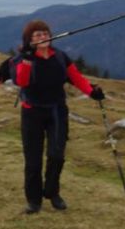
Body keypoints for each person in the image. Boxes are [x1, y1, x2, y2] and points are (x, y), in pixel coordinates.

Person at [11, 20, 104, 214]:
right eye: (37, 35)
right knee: (33, 160)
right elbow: (21, 81)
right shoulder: (22, 58)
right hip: (32, 113)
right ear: (29, 40)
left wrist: (91, 92)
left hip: (57, 112)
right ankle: (34, 201)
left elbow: (75, 77)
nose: (43, 37)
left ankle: (52, 193)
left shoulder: (60, 57)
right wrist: (27, 59)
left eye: (45, 33)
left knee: (56, 155)